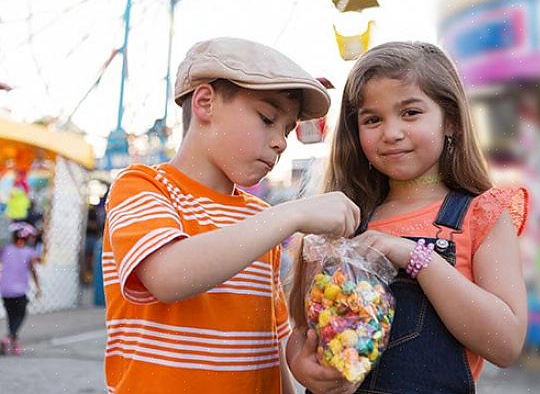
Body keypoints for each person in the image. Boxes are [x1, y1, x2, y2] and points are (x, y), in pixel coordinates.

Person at [102, 37, 360, 394]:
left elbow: (270, 344)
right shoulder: (143, 186)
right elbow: (168, 276)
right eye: (267, 119)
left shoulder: (260, 218)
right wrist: (292, 213)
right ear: (205, 102)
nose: (282, 142)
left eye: (286, 130)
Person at [287, 41, 529, 393]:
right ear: (355, 132)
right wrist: (301, 363)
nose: (392, 132)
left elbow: (505, 343)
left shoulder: (481, 214)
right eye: (373, 119)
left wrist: (415, 257)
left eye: (411, 113)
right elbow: (301, 327)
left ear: (450, 121)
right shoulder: (341, 219)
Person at [0, 221, 41, 356]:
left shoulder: (6, 250)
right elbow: (33, 270)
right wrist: (38, 287)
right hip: (19, 291)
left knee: (11, 316)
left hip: (5, 289)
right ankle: (9, 337)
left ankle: (13, 343)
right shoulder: (29, 252)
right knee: (21, 315)